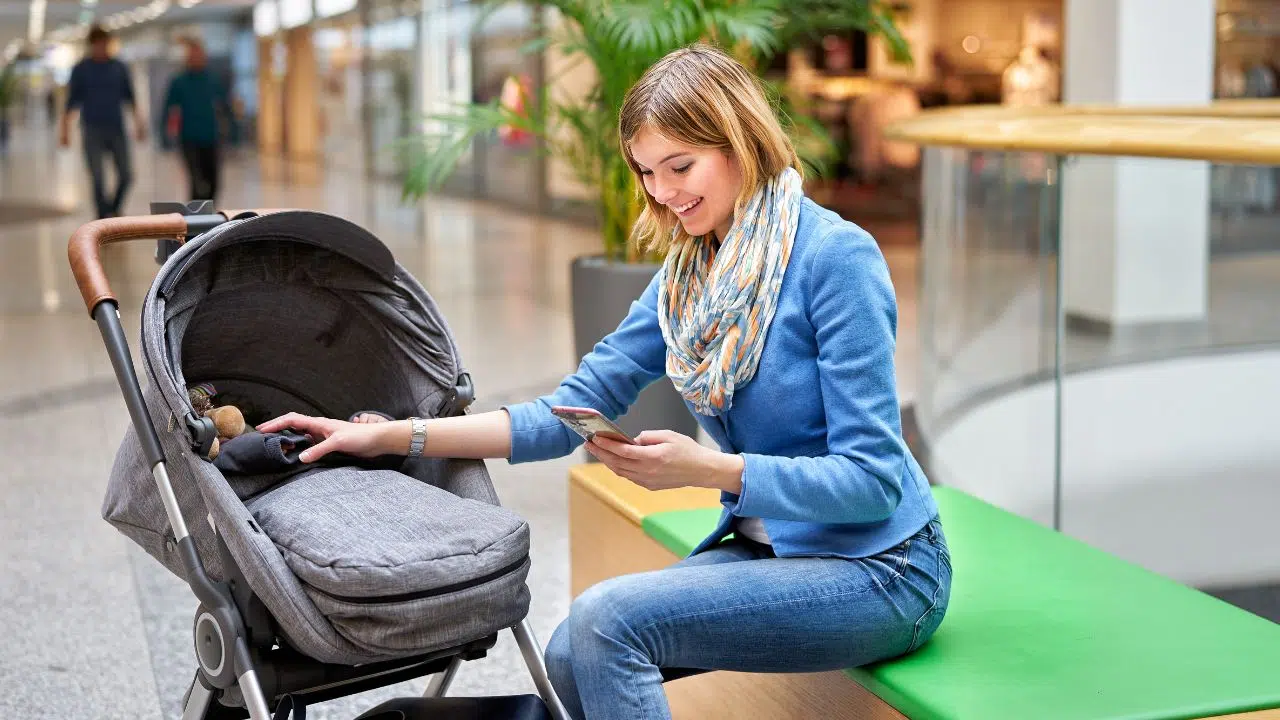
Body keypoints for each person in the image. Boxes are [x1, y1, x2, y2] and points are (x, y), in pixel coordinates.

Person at [258, 44, 950, 720]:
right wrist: (391, 439)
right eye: (648, 173)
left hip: (882, 569)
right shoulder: (687, 283)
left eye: (681, 166)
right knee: (568, 655)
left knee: (607, 623)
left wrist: (709, 469)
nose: (664, 193)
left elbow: (872, 480)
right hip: (779, 551)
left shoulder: (835, 260)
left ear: (741, 143)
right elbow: (560, 416)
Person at [60, 25, 146, 219]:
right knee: (97, 177)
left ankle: (113, 209)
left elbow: (130, 98)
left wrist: (139, 123)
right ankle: (102, 216)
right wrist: (64, 130)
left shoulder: (119, 67)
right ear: (91, 45)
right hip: (92, 129)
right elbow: (71, 102)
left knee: (126, 175)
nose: (102, 47)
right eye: (98, 44)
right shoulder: (81, 69)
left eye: (105, 43)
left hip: (116, 127)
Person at [163, 38, 232, 203]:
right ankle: (195, 220)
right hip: (188, 138)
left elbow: (224, 106)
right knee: (196, 182)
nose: (196, 58)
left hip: (211, 137)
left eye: (199, 54)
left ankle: (209, 215)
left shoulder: (213, 80)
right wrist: (166, 137)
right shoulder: (179, 81)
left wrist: (232, 133)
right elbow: (169, 109)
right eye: (192, 55)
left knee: (213, 181)